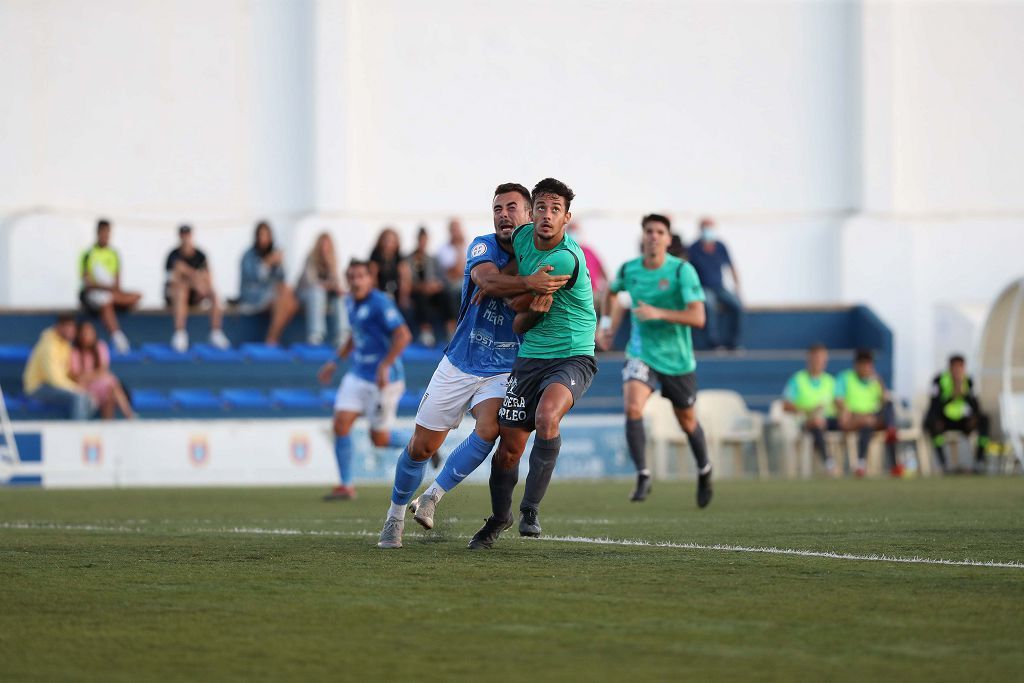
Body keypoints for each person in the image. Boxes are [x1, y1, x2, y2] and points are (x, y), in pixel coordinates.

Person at [376, 182, 570, 549]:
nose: (503, 215)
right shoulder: (482, 245)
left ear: (530, 215)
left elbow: (521, 296)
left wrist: (514, 291)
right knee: (422, 447)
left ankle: (432, 496)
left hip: (504, 366)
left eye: (512, 207)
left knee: (492, 427)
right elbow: (484, 278)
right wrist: (523, 284)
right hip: (461, 359)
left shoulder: (548, 254)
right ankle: (394, 515)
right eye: (497, 208)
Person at [468, 177, 598, 550]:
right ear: (532, 211)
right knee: (509, 447)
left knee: (546, 417)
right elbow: (523, 317)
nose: (546, 215)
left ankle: (530, 510)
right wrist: (505, 281)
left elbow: (518, 308)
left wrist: (504, 292)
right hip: (531, 355)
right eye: (541, 207)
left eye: (555, 209)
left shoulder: (565, 259)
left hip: (572, 354)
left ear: (566, 218)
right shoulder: (523, 237)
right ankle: (498, 518)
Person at [598, 213, 713, 506]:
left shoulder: (681, 272)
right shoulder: (630, 269)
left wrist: (659, 313)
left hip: (677, 360)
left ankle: (704, 469)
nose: (653, 236)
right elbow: (610, 291)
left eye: (659, 231)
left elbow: (698, 317)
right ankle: (643, 474)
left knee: (687, 421)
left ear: (668, 239)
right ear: (643, 236)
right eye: (649, 231)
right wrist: (607, 324)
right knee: (633, 406)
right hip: (641, 352)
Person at [317, 260, 414, 501]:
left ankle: (420, 443)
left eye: (360, 276)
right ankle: (346, 486)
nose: (356, 281)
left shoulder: (380, 303)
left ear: (370, 279)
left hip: (384, 380)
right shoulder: (349, 301)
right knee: (340, 424)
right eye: (351, 276)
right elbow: (355, 335)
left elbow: (403, 335)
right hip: (358, 373)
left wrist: (386, 363)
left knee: (379, 439)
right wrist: (334, 361)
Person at [835, 349, 902, 477]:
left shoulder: (875, 380)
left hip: (874, 417)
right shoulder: (845, 378)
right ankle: (861, 463)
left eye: (869, 365)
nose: (867, 368)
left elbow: (884, 400)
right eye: (864, 365)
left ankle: (891, 431)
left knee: (889, 406)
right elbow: (838, 400)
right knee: (866, 425)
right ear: (857, 365)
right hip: (855, 418)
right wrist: (854, 414)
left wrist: (880, 383)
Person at [79, 219, 141, 354]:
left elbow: (117, 283)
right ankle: (118, 337)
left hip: (110, 293)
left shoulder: (114, 254)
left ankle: (113, 303)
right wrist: (106, 287)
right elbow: (88, 283)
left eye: (108, 233)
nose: (106, 236)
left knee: (136, 296)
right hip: (92, 294)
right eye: (103, 233)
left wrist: (111, 290)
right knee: (105, 300)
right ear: (97, 233)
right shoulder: (88, 254)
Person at [165, 225, 231, 352]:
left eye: (188, 235)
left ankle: (216, 332)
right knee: (181, 290)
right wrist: (194, 278)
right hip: (177, 296)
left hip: (196, 294)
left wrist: (189, 273)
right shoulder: (173, 255)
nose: (186, 238)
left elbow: (209, 279)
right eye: (183, 235)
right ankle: (180, 333)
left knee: (213, 292)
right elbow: (173, 283)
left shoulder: (200, 255)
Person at [924, 354, 991, 473]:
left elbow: (976, 406)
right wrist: (952, 395)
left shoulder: (968, 381)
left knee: (984, 419)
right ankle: (943, 464)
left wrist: (964, 394)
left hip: (963, 420)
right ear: (950, 368)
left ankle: (979, 462)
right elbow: (934, 405)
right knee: (932, 422)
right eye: (955, 367)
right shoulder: (939, 380)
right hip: (944, 420)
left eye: (961, 367)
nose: (958, 370)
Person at [22, 313, 95, 420]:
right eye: (68, 327)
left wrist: (79, 385)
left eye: (73, 327)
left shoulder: (65, 345)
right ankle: (76, 431)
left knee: (89, 399)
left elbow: (64, 373)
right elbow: (53, 378)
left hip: (53, 386)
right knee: (79, 397)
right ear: (59, 327)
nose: (71, 331)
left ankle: (83, 431)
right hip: (37, 388)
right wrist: (75, 388)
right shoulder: (49, 345)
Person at [238, 221, 299, 345]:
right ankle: (272, 339)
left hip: (271, 296)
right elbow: (253, 278)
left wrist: (280, 264)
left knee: (291, 301)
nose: (263, 239)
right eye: (261, 235)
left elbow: (281, 278)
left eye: (266, 235)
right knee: (287, 298)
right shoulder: (248, 255)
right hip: (253, 297)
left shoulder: (274, 252)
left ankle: (271, 338)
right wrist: (267, 263)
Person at [782, 344, 839, 473]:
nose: (819, 362)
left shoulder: (831, 381)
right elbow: (786, 405)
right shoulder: (797, 379)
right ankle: (829, 463)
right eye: (816, 358)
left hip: (828, 420)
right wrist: (807, 410)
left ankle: (860, 465)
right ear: (809, 359)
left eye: (822, 359)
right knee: (816, 423)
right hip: (805, 420)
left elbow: (839, 404)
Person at [687, 217, 742, 350]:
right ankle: (713, 342)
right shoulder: (693, 248)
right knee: (709, 305)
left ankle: (733, 343)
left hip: (719, 287)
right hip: (702, 287)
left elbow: (731, 266)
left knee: (737, 305)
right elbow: (686, 270)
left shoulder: (721, 246)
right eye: (706, 228)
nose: (708, 231)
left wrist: (737, 287)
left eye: (710, 227)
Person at [70, 320, 135, 419]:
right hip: (85, 389)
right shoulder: (75, 352)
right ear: (79, 335)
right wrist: (95, 375)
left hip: (101, 387)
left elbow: (103, 370)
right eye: (85, 333)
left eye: (90, 333)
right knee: (111, 382)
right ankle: (130, 415)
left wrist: (88, 376)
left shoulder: (100, 346)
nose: (88, 336)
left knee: (111, 392)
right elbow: (77, 377)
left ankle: (115, 422)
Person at [296, 232, 348, 346]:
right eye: (322, 245)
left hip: (326, 297)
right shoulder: (310, 258)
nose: (325, 248)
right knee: (317, 292)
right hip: (307, 295)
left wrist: (330, 266)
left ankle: (342, 334)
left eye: (327, 245)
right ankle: (316, 334)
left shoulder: (333, 260)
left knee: (340, 297)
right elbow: (311, 282)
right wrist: (329, 286)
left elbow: (339, 283)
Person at [405, 227, 451, 346]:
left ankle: (450, 330)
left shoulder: (432, 259)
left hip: (432, 291)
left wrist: (435, 286)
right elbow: (407, 280)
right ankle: (426, 331)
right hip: (416, 291)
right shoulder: (408, 259)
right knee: (420, 297)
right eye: (421, 240)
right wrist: (421, 287)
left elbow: (442, 278)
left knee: (444, 295)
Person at [568, 221, 608, 314]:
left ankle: (606, 326)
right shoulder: (565, 253)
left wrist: (606, 288)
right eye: (571, 230)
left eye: (575, 231)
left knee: (613, 301)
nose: (573, 234)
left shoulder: (588, 251)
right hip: (575, 294)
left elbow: (603, 271)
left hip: (594, 292)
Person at [435, 218, 466, 336]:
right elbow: (454, 271)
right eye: (454, 230)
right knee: (451, 292)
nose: (456, 232)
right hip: (450, 283)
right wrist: (458, 249)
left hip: (466, 282)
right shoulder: (444, 249)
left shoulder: (469, 246)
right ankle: (452, 330)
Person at [368, 227, 412, 311]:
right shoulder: (375, 256)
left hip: (396, 292)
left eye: (391, 241)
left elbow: (405, 279)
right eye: (386, 240)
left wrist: (403, 298)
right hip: (381, 292)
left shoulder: (399, 257)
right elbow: (373, 279)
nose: (388, 244)